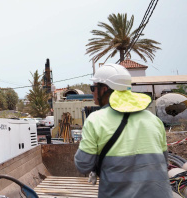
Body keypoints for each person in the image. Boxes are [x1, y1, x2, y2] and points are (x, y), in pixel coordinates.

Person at [74, 63, 172, 198]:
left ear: (104, 89)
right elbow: (164, 162)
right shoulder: (154, 120)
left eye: (93, 87)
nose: (92, 92)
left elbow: (83, 165)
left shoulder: (95, 120)